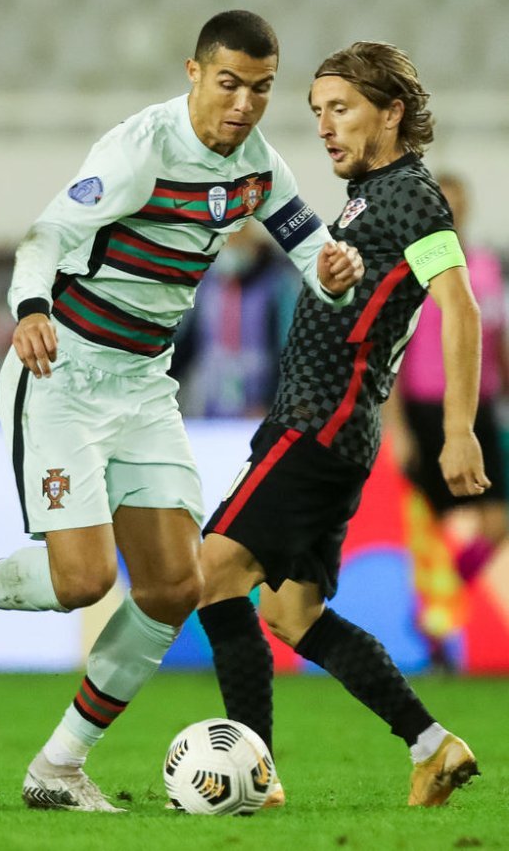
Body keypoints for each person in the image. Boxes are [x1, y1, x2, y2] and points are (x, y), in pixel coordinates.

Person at [0, 11, 363, 813]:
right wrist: (30, 309)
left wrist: (336, 271)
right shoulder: (140, 151)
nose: (244, 104)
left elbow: (314, 252)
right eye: (228, 83)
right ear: (194, 73)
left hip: (145, 387)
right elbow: (46, 234)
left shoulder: (259, 167)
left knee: (172, 586)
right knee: (83, 580)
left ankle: (58, 767)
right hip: (61, 373)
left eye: (261, 89)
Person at [196, 41, 485, 809]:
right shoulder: (370, 194)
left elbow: (459, 306)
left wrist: (459, 428)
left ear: (391, 114)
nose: (325, 126)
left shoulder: (411, 197)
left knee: (212, 573)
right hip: (331, 430)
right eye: (317, 111)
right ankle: (432, 745)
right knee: (291, 614)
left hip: (317, 425)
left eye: (342, 109)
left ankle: (250, 777)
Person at [390, 173, 509, 663]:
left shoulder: (486, 266)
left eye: (459, 204)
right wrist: (397, 425)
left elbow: (495, 338)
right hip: (426, 408)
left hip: (480, 405)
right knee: (431, 527)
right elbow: (393, 352)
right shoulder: (413, 268)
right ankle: (435, 627)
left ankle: (442, 601)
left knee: (497, 520)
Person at [170, 221, 301, 417]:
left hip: (260, 409)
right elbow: (188, 345)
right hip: (212, 408)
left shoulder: (278, 283)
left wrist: (270, 402)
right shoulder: (209, 284)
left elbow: (287, 350)